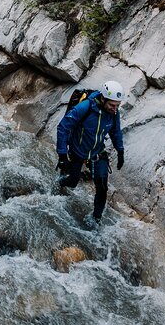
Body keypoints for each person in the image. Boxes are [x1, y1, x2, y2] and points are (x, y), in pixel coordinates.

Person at [56, 81, 126, 225]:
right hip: (77, 150)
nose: (115, 109)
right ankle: (60, 182)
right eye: (112, 105)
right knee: (73, 182)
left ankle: (96, 219)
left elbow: (115, 131)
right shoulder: (85, 108)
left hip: (97, 152)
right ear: (103, 99)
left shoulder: (113, 113)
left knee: (102, 187)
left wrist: (120, 151)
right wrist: (63, 155)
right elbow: (63, 128)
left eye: (117, 106)